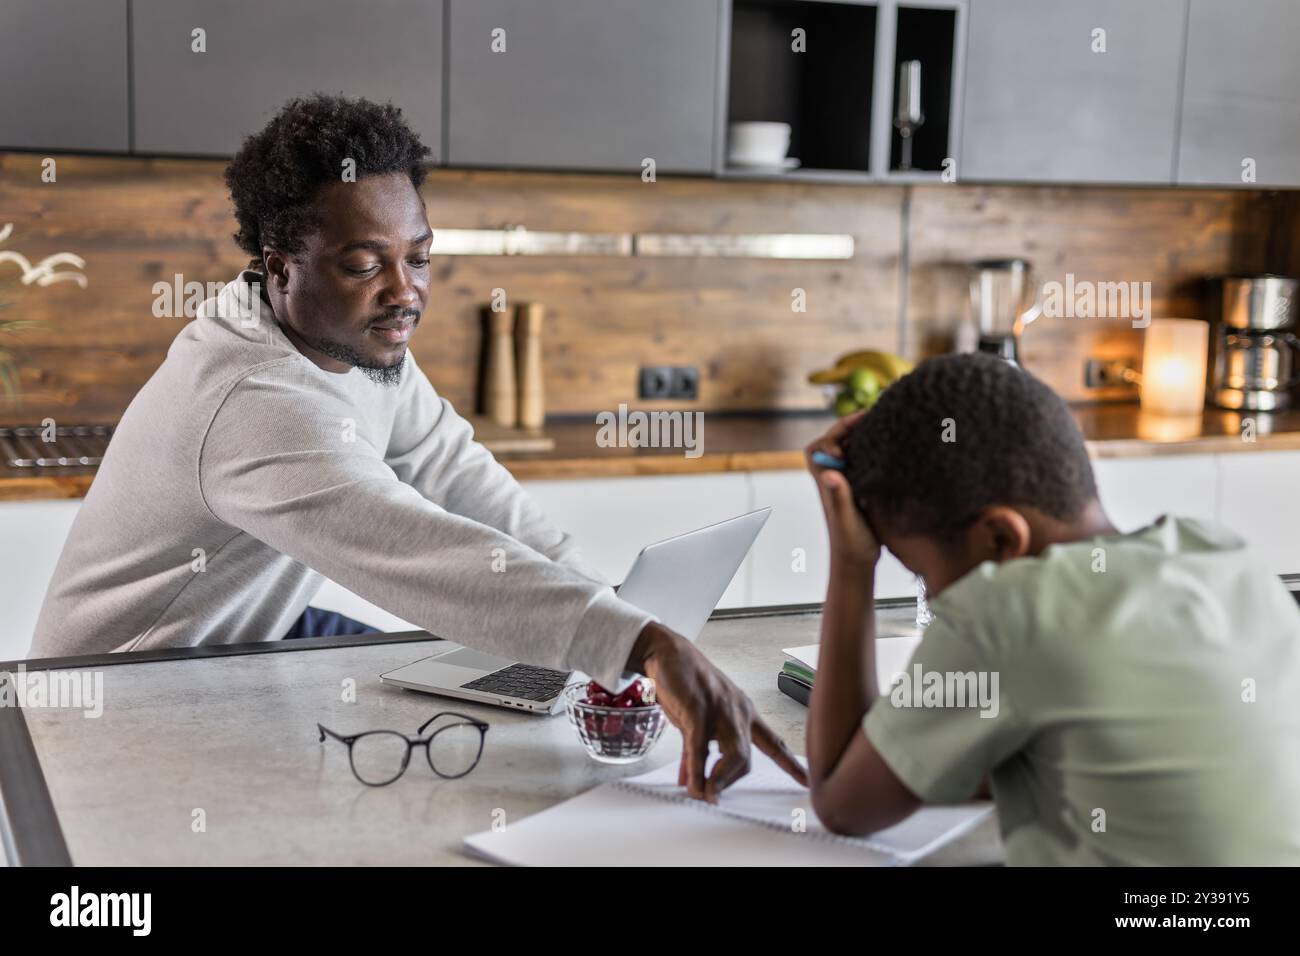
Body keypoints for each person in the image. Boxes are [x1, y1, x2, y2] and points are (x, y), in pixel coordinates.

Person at [31, 94, 803, 802]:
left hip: (253, 639)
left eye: (419, 258)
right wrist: (636, 643)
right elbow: (418, 551)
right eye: (364, 264)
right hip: (125, 687)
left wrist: (616, 617)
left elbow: (461, 479)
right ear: (279, 268)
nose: (405, 291)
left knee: (499, 686)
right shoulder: (254, 401)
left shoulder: (353, 343)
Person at [803, 352, 1300, 864]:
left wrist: (852, 560)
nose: (932, 599)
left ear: (1000, 539)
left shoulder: (1008, 611)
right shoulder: (1216, 550)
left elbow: (841, 804)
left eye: (923, 577)